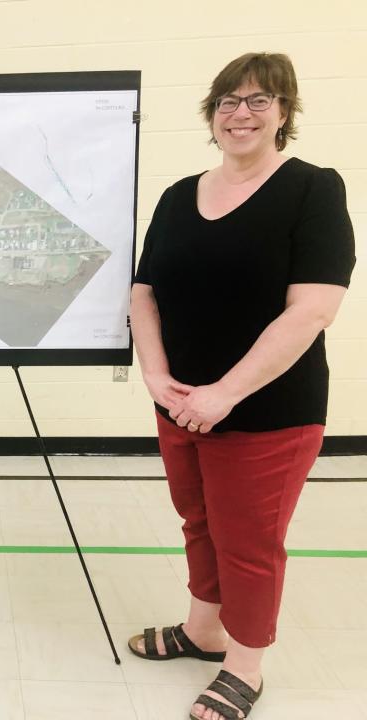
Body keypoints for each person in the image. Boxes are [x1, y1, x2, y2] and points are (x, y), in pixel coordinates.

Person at [128, 52, 355, 720]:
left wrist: (224, 392)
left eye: (259, 100)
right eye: (228, 101)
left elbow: (312, 309)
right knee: (198, 522)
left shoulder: (313, 190)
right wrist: (157, 375)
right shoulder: (178, 196)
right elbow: (144, 294)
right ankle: (203, 630)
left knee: (249, 543)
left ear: (285, 111)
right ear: (212, 114)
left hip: (268, 415)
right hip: (178, 404)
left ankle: (244, 665)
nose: (241, 113)